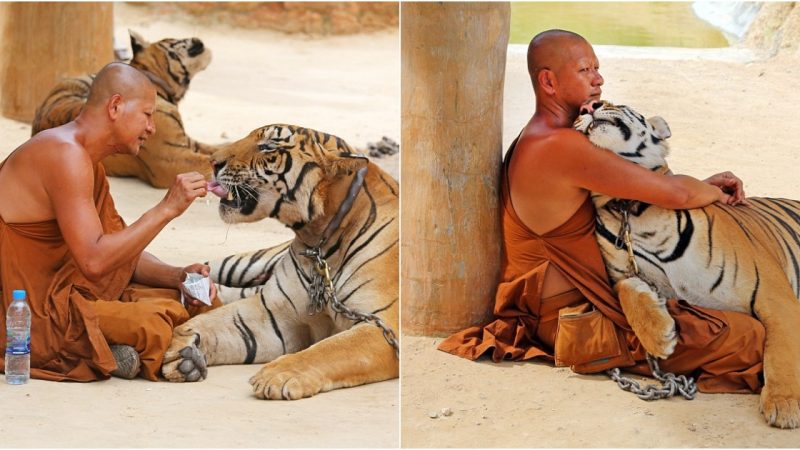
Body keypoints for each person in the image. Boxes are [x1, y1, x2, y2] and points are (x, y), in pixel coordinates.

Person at [439, 29, 764, 394]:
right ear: (548, 81)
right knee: (748, 337)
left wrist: (702, 185)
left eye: (597, 68)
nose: (599, 79)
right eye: (584, 70)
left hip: (582, 306)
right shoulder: (557, 146)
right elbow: (672, 193)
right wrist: (711, 192)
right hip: (574, 320)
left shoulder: (548, 135)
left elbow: (643, 188)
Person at [0, 62, 220, 382]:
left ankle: (104, 348)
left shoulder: (88, 163)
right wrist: (166, 209)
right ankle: (100, 349)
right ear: (115, 106)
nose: (152, 128)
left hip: (68, 293)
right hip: (32, 313)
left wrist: (176, 276)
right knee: (153, 322)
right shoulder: (65, 155)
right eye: (147, 114)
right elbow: (94, 260)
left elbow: (118, 251)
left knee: (197, 298)